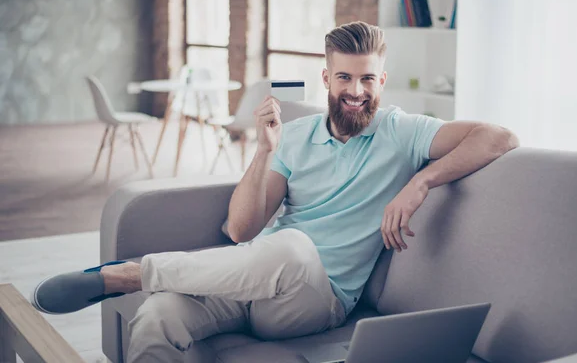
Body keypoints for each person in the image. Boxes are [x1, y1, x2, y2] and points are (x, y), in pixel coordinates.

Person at [31, 21, 519, 362]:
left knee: (292, 246)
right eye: (345, 77)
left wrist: (420, 182)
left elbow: (499, 136)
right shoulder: (295, 136)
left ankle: (129, 275)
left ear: (382, 80)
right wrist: (263, 152)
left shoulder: (402, 130)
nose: (357, 90)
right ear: (327, 78)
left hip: (315, 299)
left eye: (368, 78)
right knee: (159, 315)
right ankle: (145, 284)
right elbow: (242, 231)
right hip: (254, 280)